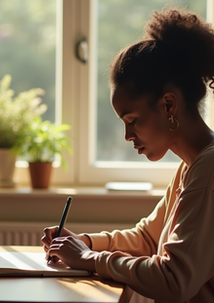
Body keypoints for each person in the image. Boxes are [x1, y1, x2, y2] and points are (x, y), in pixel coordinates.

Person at [41, 7, 214, 303]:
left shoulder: (208, 168)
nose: (127, 136)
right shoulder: (191, 167)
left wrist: (90, 259)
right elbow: (147, 239)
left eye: (132, 120)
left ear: (169, 105)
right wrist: (84, 243)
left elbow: (174, 280)